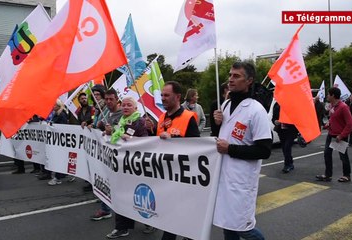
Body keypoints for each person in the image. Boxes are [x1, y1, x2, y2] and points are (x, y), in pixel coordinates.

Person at [213, 62, 272, 240]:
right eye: (230, 75)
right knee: (227, 226)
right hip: (224, 179)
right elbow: (221, 139)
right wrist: (216, 125)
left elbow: (264, 150)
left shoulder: (256, 110)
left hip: (241, 183)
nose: (231, 79)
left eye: (236, 76)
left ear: (249, 81)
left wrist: (230, 149)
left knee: (244, 229)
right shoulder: (225, 105)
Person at [146, 81, 200, 240]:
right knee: (171, 217)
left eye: (166, 95)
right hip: (165, 177)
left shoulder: (188, 117)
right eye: (162, 95)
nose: (162, 98)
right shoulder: (162, 117)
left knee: (180, 218)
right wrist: (151, 132)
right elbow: (157, 144)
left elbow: (197, 148)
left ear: (177, 97)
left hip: (183, 179)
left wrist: (174, 138)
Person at [106, 97, 156, 238]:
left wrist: (129, 138)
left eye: (129, 105)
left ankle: (151, 222)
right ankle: (121, 227)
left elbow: (146, 141)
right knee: (121, 196)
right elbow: (115, 138)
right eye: (124, 105)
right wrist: (110, 133)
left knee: (141, 196)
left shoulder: (141, 122)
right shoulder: (120, 121)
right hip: (123, 166)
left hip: (138, 167)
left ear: (135, 108)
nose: (126, 107)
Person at [90, 89, 123, 221]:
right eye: (107, 99)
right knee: (106, 179)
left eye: (111, 99)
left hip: (121, 157)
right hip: (109, 155)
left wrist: (112, 130)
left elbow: (125, 130)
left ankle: (146, 221)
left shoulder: (123, 113)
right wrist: (99, 126)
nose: (108, 102)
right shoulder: (108, 113)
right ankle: (105, 209)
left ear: (117, 99)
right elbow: (106, 130)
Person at [316, 87, 352, 183]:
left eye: (328, 94)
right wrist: (327, 124)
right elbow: (333, 119)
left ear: (333, 95)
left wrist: (341, 135)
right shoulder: (333, 106)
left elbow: (350, 124)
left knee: (343, 156)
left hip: (339, 137)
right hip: (331, 134)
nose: (327, 96)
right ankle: (328, 175)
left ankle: (346, 175)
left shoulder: (343, 107)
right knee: (327, 154)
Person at [48, 99, 69, 186]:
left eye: (54, 105)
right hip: (56, 140)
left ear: (58, 106)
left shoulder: (62, 115)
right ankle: (64, 174)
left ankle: (58, 178)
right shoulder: (56, 114)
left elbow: (63, 127)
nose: (53, 106)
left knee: (59, 158)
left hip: (60, 140)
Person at [272, 102, 298, 173]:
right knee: (284, 147)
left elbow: (297, 117)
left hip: (291, 130)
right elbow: (273, 117)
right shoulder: (277, 105)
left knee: (287, 147)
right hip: (281, 130)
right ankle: (290, 161)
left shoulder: (292, 105)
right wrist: (275, 121)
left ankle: (287, 165)